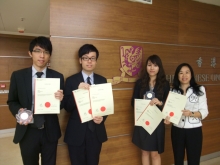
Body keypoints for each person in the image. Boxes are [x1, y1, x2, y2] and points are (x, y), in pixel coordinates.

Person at [7, 36, 64, 165]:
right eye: (38, 51)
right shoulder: (18, 76)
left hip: (49, 130)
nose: (42, 55)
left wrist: (60, 100)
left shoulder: (58, 76)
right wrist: (19, 111)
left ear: (49, 55)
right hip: (28, 131)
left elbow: (60, 105)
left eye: (46, 52)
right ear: (30, 53)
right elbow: (12, 101)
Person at [63, 44, 108, 165]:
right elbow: (67, 107)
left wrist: (102, 118)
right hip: (76, 132)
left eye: (92, 58)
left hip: (96, 132)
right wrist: (77, 93)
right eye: (85, 58)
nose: (89, 61)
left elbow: (106, 106)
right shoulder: (71, 80)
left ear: (96, 61)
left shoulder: (102, 80)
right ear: (80, 60)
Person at [164, 63, 208, 165]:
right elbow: (170, 111)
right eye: (181, 73)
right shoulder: (173, 91)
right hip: (177, 130)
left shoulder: (200, 89)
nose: (184, 75)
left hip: (194, 130)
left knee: (193, 161)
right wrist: (168, 119)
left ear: (191, 74)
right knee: (178, 160)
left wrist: (191, 113)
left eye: (187, 72)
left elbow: (204, 112)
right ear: (177, 75)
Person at [131, 54, 170, 165]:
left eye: (155, 65)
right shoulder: (140, 83)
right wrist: (142, 104)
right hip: (143, 121)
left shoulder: (165, 84)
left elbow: (168, 105)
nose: (152, 68)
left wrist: (160, 103)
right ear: (146, 67)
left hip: (157, 123)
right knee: (144, 152)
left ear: (159, 68)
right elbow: (133, 102)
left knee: (155, 154)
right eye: (149, 65)